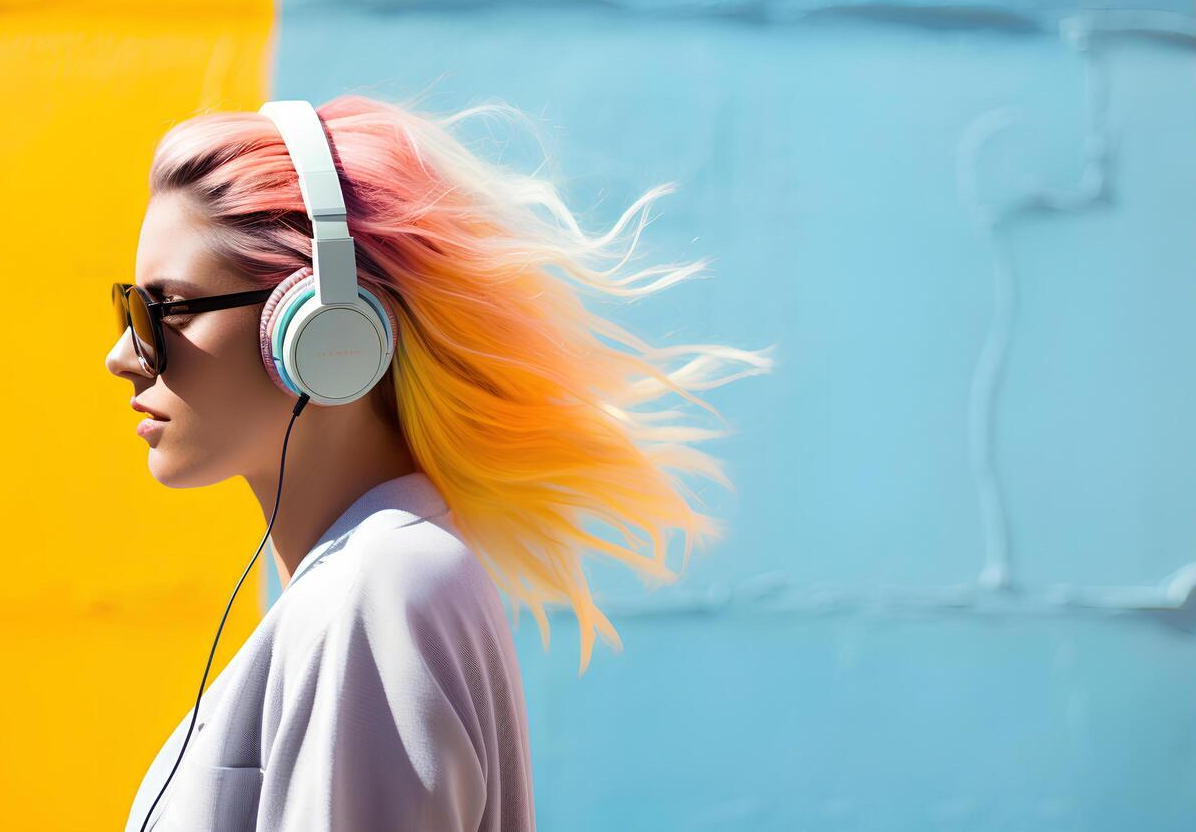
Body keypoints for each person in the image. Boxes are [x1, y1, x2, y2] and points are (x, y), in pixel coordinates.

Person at [105, 93, 776, 830]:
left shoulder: (381, 585)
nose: (122, 356)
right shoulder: (369, 580)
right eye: (128, 307)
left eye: (164, 309)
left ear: (325, 330)